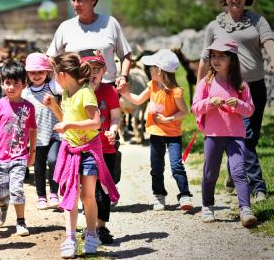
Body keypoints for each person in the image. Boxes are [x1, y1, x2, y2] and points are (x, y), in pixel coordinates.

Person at [197, 0, 274, 203]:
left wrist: (273, 59)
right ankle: (258, 187)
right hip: (225, 89)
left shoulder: (258, 21)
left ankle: (234, 173)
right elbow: (205, 59)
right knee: (245, 137)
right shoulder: (214, 26)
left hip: (253, 87)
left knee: (249, 137)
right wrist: (200, 89)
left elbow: (269, 41)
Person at [44, 53, 119, 259]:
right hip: (70, 150)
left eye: (53, 75)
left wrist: (68, 125)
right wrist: (54, 108)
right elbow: (66, 119)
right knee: (70, 195)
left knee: (87, 196)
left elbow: (96, 122)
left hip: (88, 151)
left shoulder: (86, 93)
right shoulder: (66, 93)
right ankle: (70, 238)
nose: (53, 79)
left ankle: (92, 234)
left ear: (62, 74)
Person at [192, 39, 257, 228]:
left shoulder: (241, 85)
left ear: (232, 59)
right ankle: (208, 206)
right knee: (210, 172)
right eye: (213, 55)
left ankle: (245, 210)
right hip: (212, 135)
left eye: (222, 55)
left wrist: (238, 104)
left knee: (238, 171)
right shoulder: (206, 82)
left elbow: (250, 110)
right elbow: (195, 107)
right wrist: (209, 102)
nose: (216, 59)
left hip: (236, 135)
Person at [119, 49, 193, 211]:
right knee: (156, 167)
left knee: (176, 166)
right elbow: (138, 100)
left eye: (151, 67)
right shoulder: (152, 85)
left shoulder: (176, 91)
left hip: (173, 134)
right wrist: (124, 92)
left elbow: (184, 111)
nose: (149, 70)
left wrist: (169, 119)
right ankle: (159, 196)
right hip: (155, 133)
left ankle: (185, 195)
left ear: (159, 71)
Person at [46, 0, 133, 93]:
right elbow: (50, 58)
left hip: (107, 90)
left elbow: (126, 55)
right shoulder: (65, 27)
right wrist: (60, 80)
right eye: (73, 0)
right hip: (75, 92)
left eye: (80, 0)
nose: (75, 4)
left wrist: (124, 77)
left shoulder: (110, 23)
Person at [0, 61, 37, 237]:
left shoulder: (29, 107)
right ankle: (2, 206)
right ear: (2, 84)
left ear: (24, 84)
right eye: (8, 82)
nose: (12, 87)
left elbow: (32, 130)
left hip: (19, 157)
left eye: (16, 83)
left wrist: (32, 153)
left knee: (17, 189)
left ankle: (21, 221)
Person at [80, 49, 121, 244]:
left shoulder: (109, 91)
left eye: (97, 68)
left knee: (103, 190)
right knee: (88, 191)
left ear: (104, 70)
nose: (93, 73)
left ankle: (101, 226)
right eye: (88, 68)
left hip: (106, 148)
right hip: (85, 149)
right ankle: (89, 226)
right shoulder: (77, 92)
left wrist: (113, 130)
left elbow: (115, 116)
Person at [21, 53, 61, 210]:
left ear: (47, 72)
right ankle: (41, 197)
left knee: (53, 160)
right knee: (38, 167)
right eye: (32, 72)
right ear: (27, 74)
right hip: (36, 136)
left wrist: (54, 65)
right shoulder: (25, 92)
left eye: (40, 72)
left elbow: (62, 83)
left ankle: (54, 193)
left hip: (54, 133)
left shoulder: (52, 86)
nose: (36, 75)